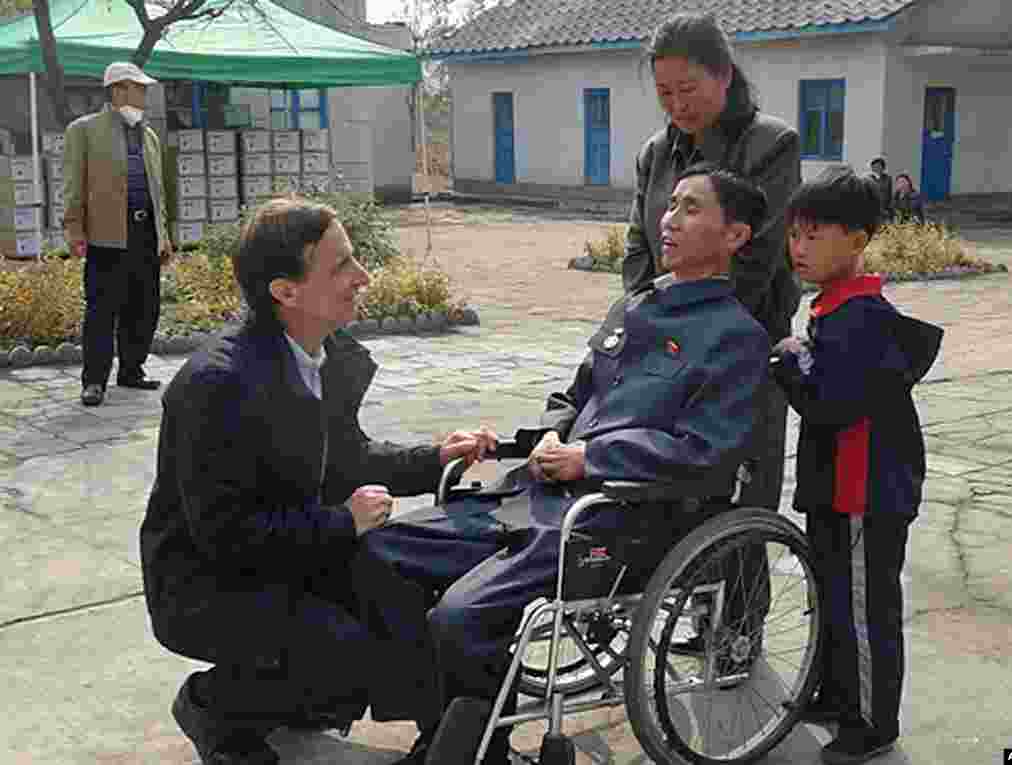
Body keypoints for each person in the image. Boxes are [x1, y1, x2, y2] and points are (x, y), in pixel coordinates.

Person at [366, 164, 772, 765]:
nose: (669, 219)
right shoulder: (634, 307)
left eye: (691, 208)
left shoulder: (736, 338)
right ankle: (448, 729)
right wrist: (551, 436)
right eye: (671, 204)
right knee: (380, 554)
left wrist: (591, 457)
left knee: (459, 616)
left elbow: (704, 454)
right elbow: (576, 395)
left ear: (734, 236)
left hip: (612, 520)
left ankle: (475, 749)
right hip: (530, 497)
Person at [140, 196, 497, 765]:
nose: (363, 276)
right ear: (286, 292)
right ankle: (216, 706)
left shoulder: (321, 353)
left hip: (287, 555)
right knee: (349, 655)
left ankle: (452, 742)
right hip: (204, 583)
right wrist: (341, 521)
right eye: (342, 267)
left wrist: (433, 457)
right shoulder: (219, 385)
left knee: (404, 590)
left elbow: (346, 457)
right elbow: (226, 536)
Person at [772, 168, 942, 765]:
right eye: (795, 235)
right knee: (833, 598)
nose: (799, 248)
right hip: (834, 489)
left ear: (858, 239)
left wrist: (790, 363)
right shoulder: (835, 307)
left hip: (866, 491)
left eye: (815, 235)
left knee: (868, 612)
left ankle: (873, 725)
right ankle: (840, 694)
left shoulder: (863, 317)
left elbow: (830, 403)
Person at [622, 11, 801, 519]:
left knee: (739, 488)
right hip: (663, 339)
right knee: (657, 489)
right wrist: (642, 319)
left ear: (723, 74)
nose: (677, 105)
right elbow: (639, 245)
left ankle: (747, 599)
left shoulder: (771, 144)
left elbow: (756, 258)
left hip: (739, 340)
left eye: (688, 89)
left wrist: (691, 328)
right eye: (664, 93)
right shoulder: (656, 153)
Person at [64, 62, 174, 407]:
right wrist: (75, 229)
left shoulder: (150, 135)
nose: (143, 95)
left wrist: (164, 236)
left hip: (145, 233)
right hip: (106, 236)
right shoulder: (83, 130)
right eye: (138, 88)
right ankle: (94, 381)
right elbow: (73, 186)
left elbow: (159, 191)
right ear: (117, 90)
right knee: (101, 310)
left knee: (145, 307)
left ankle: (132, 370)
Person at [868, 157, 894, 222]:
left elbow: (889, 195)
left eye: (879, 166)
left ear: (883, 168)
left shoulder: (888, 179)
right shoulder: (868, 179)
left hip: (884, 211)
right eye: (874, 166)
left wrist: (889, 210)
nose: (877, 168)